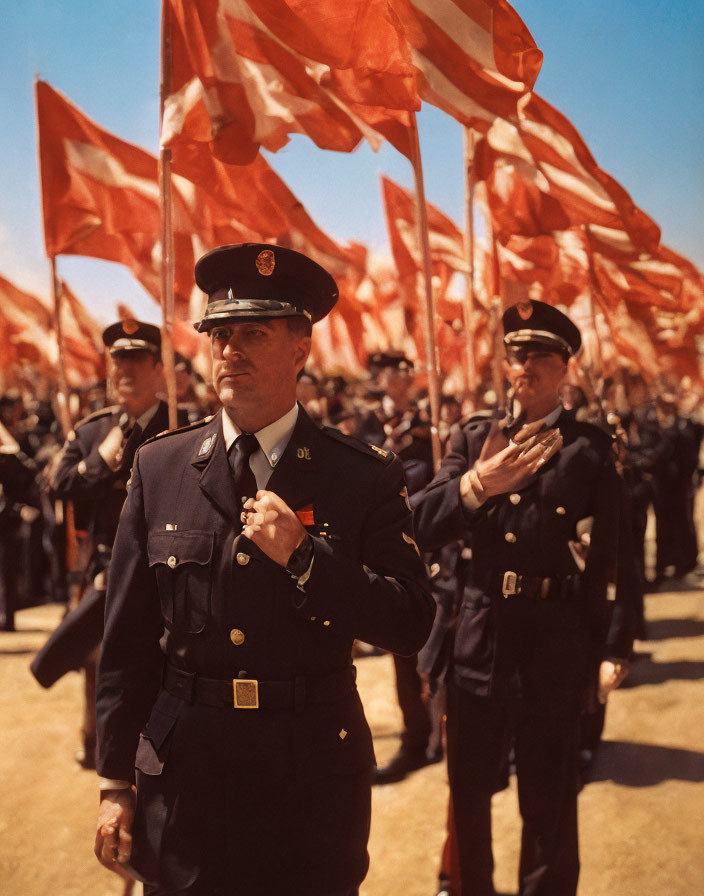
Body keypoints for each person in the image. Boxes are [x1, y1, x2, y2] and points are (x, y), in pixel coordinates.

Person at [94, 243, 434, 896]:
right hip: (188, 776)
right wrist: (115, 782)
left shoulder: (361, 475)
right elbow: (128, 643)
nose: (230, 350)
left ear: (301, 347)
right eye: (219, 333)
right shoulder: (159, 468)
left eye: (254, 332)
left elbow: (411, 622)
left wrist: (309, 560)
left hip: (309, 777)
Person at [413, 299, 631, 896]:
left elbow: (615, 559)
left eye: (540, 355)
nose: (525, 366)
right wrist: (478, 485)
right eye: (516, 354)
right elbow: (419, 522)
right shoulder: (475, 437)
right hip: (480, 640)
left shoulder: (589, 450)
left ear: (565, 368)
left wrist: (613, 646)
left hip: (554, 645)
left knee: (550, 800)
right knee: (470, 794)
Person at [31, 320, 183, 770]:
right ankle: (97, 738)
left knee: (161, 657)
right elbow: (59, 485)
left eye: (137, 361)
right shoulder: (94, 431)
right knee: (100, 659)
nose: (126, 371)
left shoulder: (182, 425)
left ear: (160, 369)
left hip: (164, 564)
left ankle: (157, 742)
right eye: (118, 361)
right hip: (103, 564)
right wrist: (99, 462)